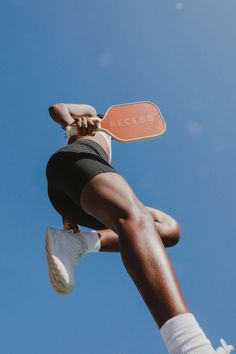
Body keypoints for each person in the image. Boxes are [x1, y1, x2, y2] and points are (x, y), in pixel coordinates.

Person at [45, 103, 234, 354]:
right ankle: (191, 347)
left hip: (75, 193)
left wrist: (67, 217)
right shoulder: (89, 115)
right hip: (73, 162)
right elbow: (56, 109)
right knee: (137, 219)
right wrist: (72, 122)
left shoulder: (107, 137)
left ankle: (78, 243)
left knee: (168, 230)